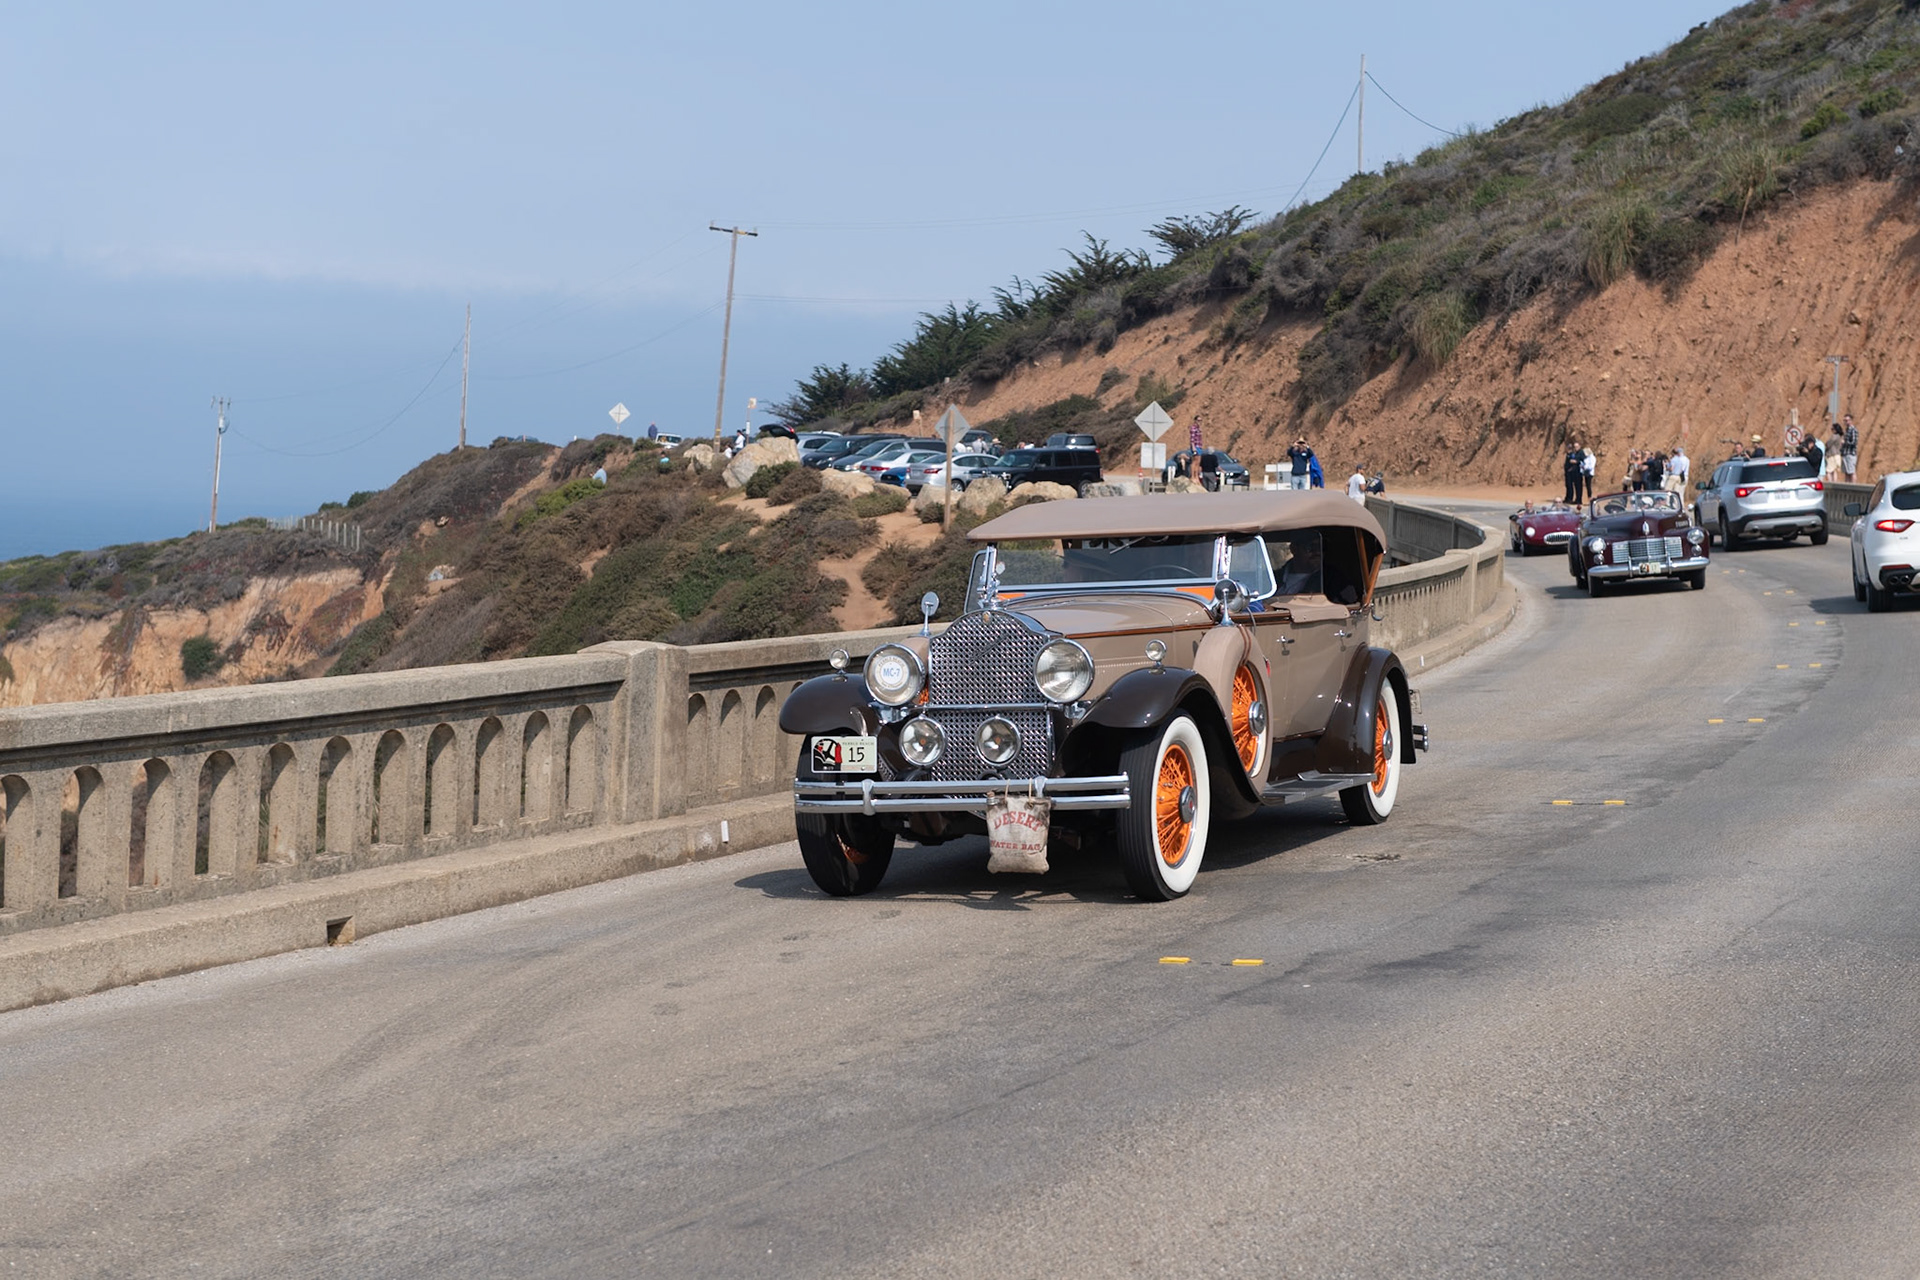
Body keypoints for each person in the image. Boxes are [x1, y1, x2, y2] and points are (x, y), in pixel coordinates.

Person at [1842, 414, 1860, 480]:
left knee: (1852, 472)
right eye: (1845, 420)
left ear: (1851, 421)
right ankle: (1847, 487)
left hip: (1851, 453)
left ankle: (1853, 487)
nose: (1846, 422)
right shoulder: (1846, 430)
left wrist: (1845, 443)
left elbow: (1854, 442)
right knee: (1846, 472)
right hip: (1845, 453)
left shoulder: (1853, 430)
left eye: (1847, 420)